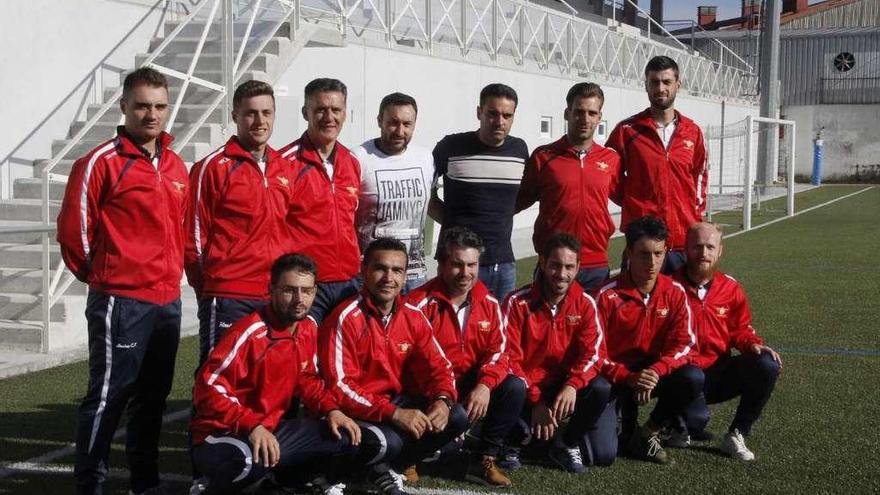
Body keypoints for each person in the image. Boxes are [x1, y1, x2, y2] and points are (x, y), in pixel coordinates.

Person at [57, 67, 189, 495]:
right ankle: (89, 485)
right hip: (122, 302)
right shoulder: (99, 163)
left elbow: (180, 226)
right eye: (142, 106)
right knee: (108, 399)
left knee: (152, 401)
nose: (151, 115)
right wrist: (107, 279)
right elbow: (74, 233)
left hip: (167, 301)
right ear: (124, 107)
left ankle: (144, 484)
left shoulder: (174, 165)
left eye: (159, 106)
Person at [190, 254, 367, 494]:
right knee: (249, 460)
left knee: (346, 436)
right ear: (271, 289)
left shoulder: (307, 328)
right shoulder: (250, 332)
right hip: (221, 433)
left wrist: (332, 410)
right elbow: (208, 387)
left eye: (306, 291)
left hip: (270, 429)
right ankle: (209, 487)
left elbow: (307, 380)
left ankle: (281, 485)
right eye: (289, 290)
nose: (299, 300)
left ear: (315, 292)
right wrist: (251, 426)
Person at [319, 238, 470, 495]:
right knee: (385, 442)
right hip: (354, 412)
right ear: (364, 271)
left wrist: (443, 400)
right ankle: (336, 474)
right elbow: (339, 387)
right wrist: (393, 414)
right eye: (380, 268)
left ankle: (387, 470)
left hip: (391, 404)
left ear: (404, 275)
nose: (388, 278)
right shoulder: (345, 318)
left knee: (456, 417)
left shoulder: (412, 315)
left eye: (397, 270)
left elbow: (439, 367)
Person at [185, 80, 294, 366]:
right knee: (219, 375)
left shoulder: (285, 166)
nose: (260, 121)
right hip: (229, 295)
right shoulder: (212, 167)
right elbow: (194, 236)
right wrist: (209, 287)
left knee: (268, 376)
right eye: (251, 113)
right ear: (235, 116)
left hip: (274, 293)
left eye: (267, 113)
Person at [406, 227, 525, 487]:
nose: (465, 273)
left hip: (469, 383)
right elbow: (412, 363)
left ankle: (484, 458)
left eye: (472, 265)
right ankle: (409, 456)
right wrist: (443, 396)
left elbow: (500, 351)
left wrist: (485, 385)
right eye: (457, 264)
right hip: (429, 388)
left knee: (514, 386)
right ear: (441, 265)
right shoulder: (418, 303)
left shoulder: (489, 303)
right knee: (446, 410)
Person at [503, 233, 615, 473]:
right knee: (518, 416)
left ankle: (566, 442)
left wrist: (573, 385)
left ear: (578, 268)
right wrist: (536, 402)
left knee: (601, 390)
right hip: (526, 388)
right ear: (542, 262)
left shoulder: (585, 304)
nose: (561, 274)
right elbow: (507, 357)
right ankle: (509, 440)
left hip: (563, 387)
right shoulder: (516, 303)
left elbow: (593, 354)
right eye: (555, 265)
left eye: (568, 267)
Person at [670, 222, 781, 460]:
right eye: (697, 246)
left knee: (767, 364)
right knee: (695, 415)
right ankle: (676, 422)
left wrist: (752, 344)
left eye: (710, 247)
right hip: (682, 376)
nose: (704, 253)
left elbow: (740, 329)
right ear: (686, 249)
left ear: (720, 251)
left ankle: (736, 434)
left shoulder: (730, 288)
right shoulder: (668, 287)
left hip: (718, 373)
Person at [595, 216, 699, 465]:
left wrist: (654, 371)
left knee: (692, 379)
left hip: (652, 373)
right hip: (612, 377)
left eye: (658, 253)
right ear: (629, 252)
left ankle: (648, 433)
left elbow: (685, 344)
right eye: (643, 253)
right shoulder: (605, 294)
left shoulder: (675, 292)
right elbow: (592, 354)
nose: (652, 262)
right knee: (603, 455)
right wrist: (627, 377)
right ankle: (619, 418)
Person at [606, 56, 708, 274]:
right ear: (646, 85)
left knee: (680, 305)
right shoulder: (627, 130)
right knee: (637, 305)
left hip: (682, 239)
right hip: (642, 240)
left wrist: (694, 213)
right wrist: (633, 203)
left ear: (677, 85)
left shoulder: (693, 132)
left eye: (666, 82)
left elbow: (700, 175)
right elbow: (609, 175)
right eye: (654, 82)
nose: (660, 88)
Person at [516, 82, 622, 292]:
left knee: (592, 325)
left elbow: (631, 199)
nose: (585, 119)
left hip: (595, 263)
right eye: (579, 111)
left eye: (592, 113)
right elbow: (516, 202)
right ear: (567, 113)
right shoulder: (543, 156)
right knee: (548, 324)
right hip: (554, 262)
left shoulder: (611, 159)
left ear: (599, 117)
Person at [429, 83, 529, 299]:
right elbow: (425, 195)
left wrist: (501, 214)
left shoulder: (519, 150)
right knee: (455, 326)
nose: (499, 121)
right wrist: (451, 222)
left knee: (499, 328)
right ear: (479, 112)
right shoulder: (450, 146)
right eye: (492, 113)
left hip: (503, 263)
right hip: (457, 262)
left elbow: (525, 194)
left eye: (507, 115)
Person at [280, 78, 361, 322]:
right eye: (320, 110)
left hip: (349, 282)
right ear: (306, 113)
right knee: (303, 356)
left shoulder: (352, 162)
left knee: (344, 357)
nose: (329, 117)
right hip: (306, 286)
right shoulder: (284, 164)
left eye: (336, 110)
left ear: (345, 113)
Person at [355, 93, 433, 293]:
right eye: (393, 123)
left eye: (407, 124)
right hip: (374, 275)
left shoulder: (425, 158)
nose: (400, 131)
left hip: (414, 274)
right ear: (380, 120)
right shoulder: (359, 158)